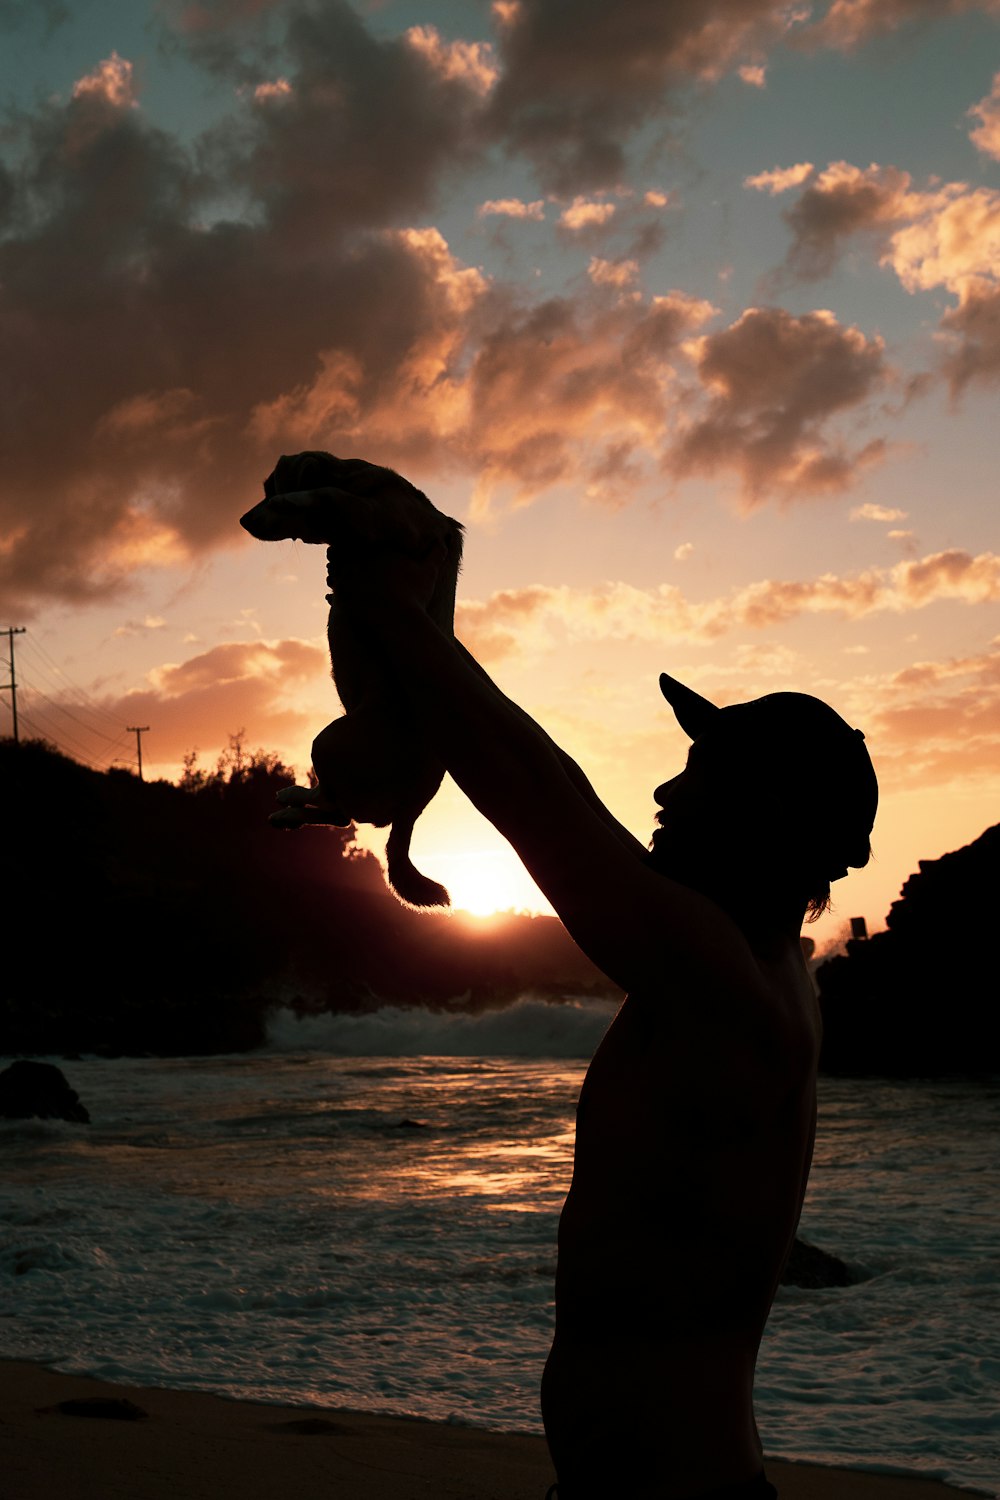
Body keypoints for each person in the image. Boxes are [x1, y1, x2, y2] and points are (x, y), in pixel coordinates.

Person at [335, 520, 878, 1500]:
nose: (665, 791)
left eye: (698, 777)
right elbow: (565, 794)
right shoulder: (757, 966)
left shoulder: (725, 986)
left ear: (766, 817)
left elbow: (537, 795)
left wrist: (389, 611)